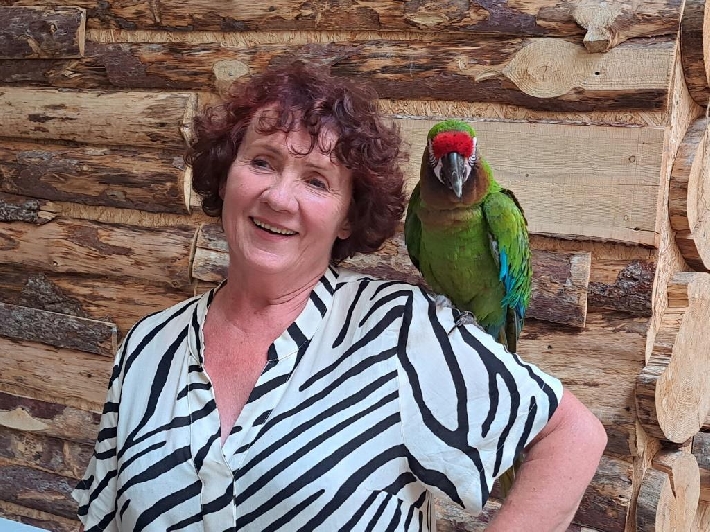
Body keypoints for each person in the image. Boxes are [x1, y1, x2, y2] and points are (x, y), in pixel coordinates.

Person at [73, 62, 606, 532]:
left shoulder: (403, 331)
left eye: (317, 181)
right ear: (224, 175)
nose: (279, 197)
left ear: (349, 216)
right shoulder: (147, 345)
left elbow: (573, 436)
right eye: (261, 162)